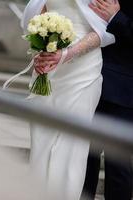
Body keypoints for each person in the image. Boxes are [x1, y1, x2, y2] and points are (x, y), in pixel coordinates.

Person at [5, 0, 115, 199]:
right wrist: (41, 50)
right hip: (48, 66)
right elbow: (38, 16)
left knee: (72, 144)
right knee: (41, 139)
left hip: (83, 70)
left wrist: (67, 53)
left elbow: (104, 29)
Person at [82, 0, 133, 199]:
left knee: (117, 163)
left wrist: (115, 17)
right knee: (84, 158)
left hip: (122, 89)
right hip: (86, 79)